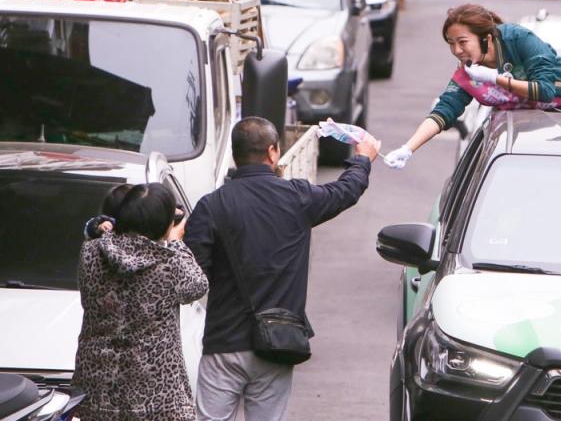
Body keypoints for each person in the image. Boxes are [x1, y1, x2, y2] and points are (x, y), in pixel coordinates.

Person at [184, 116, 378, 421]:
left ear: (235, 154)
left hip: (223, 342)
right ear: (273, 152)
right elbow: (345, 193)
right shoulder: (297, 197)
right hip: (277, 342)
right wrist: (362, 160)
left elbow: (193, 275)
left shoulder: (211, 206)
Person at [383, 4, 561, 169]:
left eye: (462, 42)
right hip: (520, 131)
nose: (456, 50)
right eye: (450, 43)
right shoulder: (470, 71)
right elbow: (444, 110)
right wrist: (408, 148)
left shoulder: (518, 39)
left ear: (486, 38)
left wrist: (495, 78)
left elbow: (545, 90)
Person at [73, 183, 208, 421]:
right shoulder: (168, 262)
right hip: (157, 398)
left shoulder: (91, 252)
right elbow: (198, 285)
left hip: (97, 392)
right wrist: (175, 242)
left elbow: (99, 233)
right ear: (164, 225)